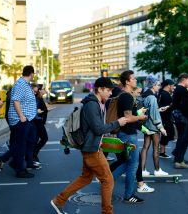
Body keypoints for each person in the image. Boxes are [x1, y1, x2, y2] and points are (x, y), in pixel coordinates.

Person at [51, 77, 134, 214]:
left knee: (86, 177)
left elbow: (96, 129)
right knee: (108, 181)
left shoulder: (97, 103)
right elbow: (98, 128)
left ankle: (58, 201)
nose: (110, 93)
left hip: (92, 147)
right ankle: (107, 212)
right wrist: (117, 123)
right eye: (108, 90)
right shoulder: (92, 105)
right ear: (99, 89)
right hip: (91, 149)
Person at [111, 70, 148, 204]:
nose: (136, 80)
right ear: (127, 81)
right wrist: (141, 117)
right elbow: (127, 117)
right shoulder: (126, 96)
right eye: (133, 79)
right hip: (128, 134)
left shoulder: (126, 95)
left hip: (126, 133)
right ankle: (129, 195)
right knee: (133, 165)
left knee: (127, 163)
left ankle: (107, 182)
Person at [7, 65, 39, 178]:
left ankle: (16, 163)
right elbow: (16, 100)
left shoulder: (25, 84)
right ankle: (20, 170)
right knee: (21, 145)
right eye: (33, 74)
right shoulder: (21, 84)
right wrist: (21, 116)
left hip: (27, 119)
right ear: (31, 74)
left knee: (28, 142)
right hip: (21, 119)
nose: (34, 76)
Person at [140, 75, 168, 177]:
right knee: (156, 148)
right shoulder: (152, 97)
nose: (159, 87)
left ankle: (142, 170)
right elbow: (154, 115)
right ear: (153, 85)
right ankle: (157, 170)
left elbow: (148, 110)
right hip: (154, 126)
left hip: (146, 125)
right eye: (158, 85)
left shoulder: (145, 95)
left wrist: (159, 109)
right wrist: (161, 127)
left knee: (145, 147)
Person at [171, 73, 188, 169]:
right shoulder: (182, 90)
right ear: (183, 79)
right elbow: (186, 105)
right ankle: (179, 160)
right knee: (183, 138)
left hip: (177, 116)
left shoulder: (178, 89)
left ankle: (177, 156)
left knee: (181, 137)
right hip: (182, 117)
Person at [158, 79, 175, 158]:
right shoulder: (165, 94)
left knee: (167, 134)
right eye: (173, 85)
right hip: (165, 117)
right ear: (169, 85)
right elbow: (165, 107)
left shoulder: (163, 93)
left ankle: (162, 151)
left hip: (164, 117)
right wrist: (172, 105)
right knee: (167, 134)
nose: (173, 87)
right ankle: (162, 152)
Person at [32, 84, 49, 163]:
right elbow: (34, 109)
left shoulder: (40, 98)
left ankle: (33, 155)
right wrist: (37, 111)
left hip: (39, 121)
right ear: (40, 90)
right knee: (44, 138)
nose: (45, 90)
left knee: (36, 139)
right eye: (44, 88)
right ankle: (33, 155)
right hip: (37, 121)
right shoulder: (37, 98)